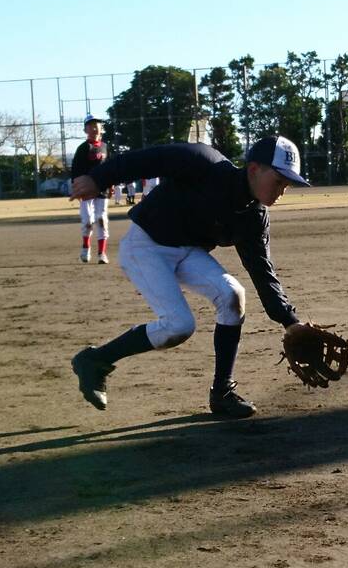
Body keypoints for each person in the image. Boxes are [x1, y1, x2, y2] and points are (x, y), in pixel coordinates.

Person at [69, 135, 322, 419]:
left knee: (232, 295)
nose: (282, 191)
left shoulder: (254, 217)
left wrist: (290, 321)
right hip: (146, 245)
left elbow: (261, 270)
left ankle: (222, 393)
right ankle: (96, 360)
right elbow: (151, 159)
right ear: (254, 169)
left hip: (187, 251)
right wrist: (99, 178)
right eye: (278, 181)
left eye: (287, 185)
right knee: (179, 325)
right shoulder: (205, 163)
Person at [69, 114, 111, 264]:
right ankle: (86, 248)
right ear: (85, 130)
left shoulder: (105, 147)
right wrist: (77, 188)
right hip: (87, 189)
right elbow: (75, 171)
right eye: (91, 125)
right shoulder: (83, 148)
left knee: (102, 219)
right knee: (88, 220)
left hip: (102, 188)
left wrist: (111, 184)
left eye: (97, 124)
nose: (94, 127)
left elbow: (110, 167)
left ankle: (102, 253)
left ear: (101, 128)